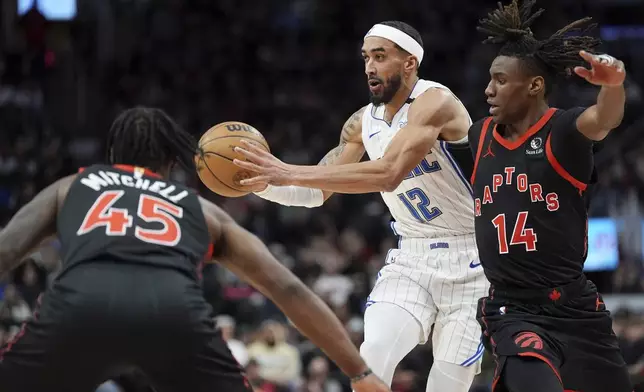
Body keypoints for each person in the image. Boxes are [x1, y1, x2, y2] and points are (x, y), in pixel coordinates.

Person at [0, 107, 389, 392]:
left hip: (79, 306)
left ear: (113, 158)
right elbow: (287, 289)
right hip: (173, 313)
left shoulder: (74, 185)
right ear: (171, 162)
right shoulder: (202, 210)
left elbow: (5, 251)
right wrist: (359, 371)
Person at [233, 21, 488, 392]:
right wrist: (264, 184)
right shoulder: (361, 123)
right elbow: (315, 191)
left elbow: (388, 174)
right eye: (366, 57)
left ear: (409, 63)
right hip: (413, 256)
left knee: (448, 384)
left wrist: (286, 170)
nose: (369, 66)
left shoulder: (436, 102)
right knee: (372, 356)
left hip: (473, 257)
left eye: (380, 56)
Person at [469, 1, 631, 391]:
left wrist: (613, 85)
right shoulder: (479, 136)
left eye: (501, 80)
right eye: (490, 79)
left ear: (534, 85)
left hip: (575, 306)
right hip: (513, 309)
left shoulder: (563, 131)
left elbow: (604, 118)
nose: (488, 89)